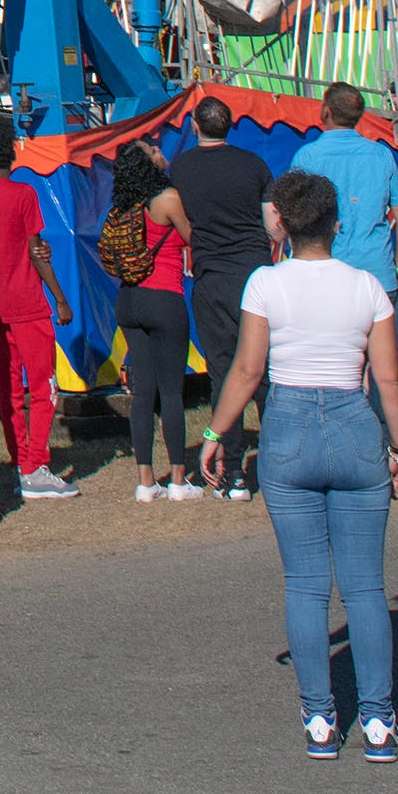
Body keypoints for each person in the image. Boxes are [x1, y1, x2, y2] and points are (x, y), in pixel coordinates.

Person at [199, 169, 398, 762]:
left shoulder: (265, 285)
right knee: (366, 587)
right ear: (337, 224)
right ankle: (377, 721)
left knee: (305, 585)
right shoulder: (369, 287)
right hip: (354, 425)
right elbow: (389, 381)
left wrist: (217, 432)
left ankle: (320, 720)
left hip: (288, 429)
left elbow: (246, 372)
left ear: (281, 224)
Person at [158, 99, 272, 498]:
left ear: (195, 124)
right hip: (256, 276)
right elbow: (273, 225)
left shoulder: (183, 167)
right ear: (231, 124)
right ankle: (277, 462)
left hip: (211, 277)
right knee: (264, 370)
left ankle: (235, 472)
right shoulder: (254, 164)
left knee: (224, 372)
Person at [0, 117, 78, 501]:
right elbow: (35, 248)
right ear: (12, 151)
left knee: (9, 389)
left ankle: (20, 463)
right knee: (42, 385)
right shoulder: (24, 194)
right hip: (28, 302)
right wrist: (60, 297)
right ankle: (35, 467)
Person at [99, 142, 200, 501]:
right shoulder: (167, 198)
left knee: (142, 393)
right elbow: (192, 238)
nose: (159, 150)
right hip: (163, 298)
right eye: (152, 149)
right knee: (171, 392)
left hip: (128, 299)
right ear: (148, 163)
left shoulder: (122, 205)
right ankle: (177, 480)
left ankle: (145, 482)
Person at [290, 85, 398, 321]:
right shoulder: (381, 155)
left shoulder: (307, 157)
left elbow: (295, 218)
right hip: (378, 274)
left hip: (324, 276)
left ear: (326, 111)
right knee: (383, 356)